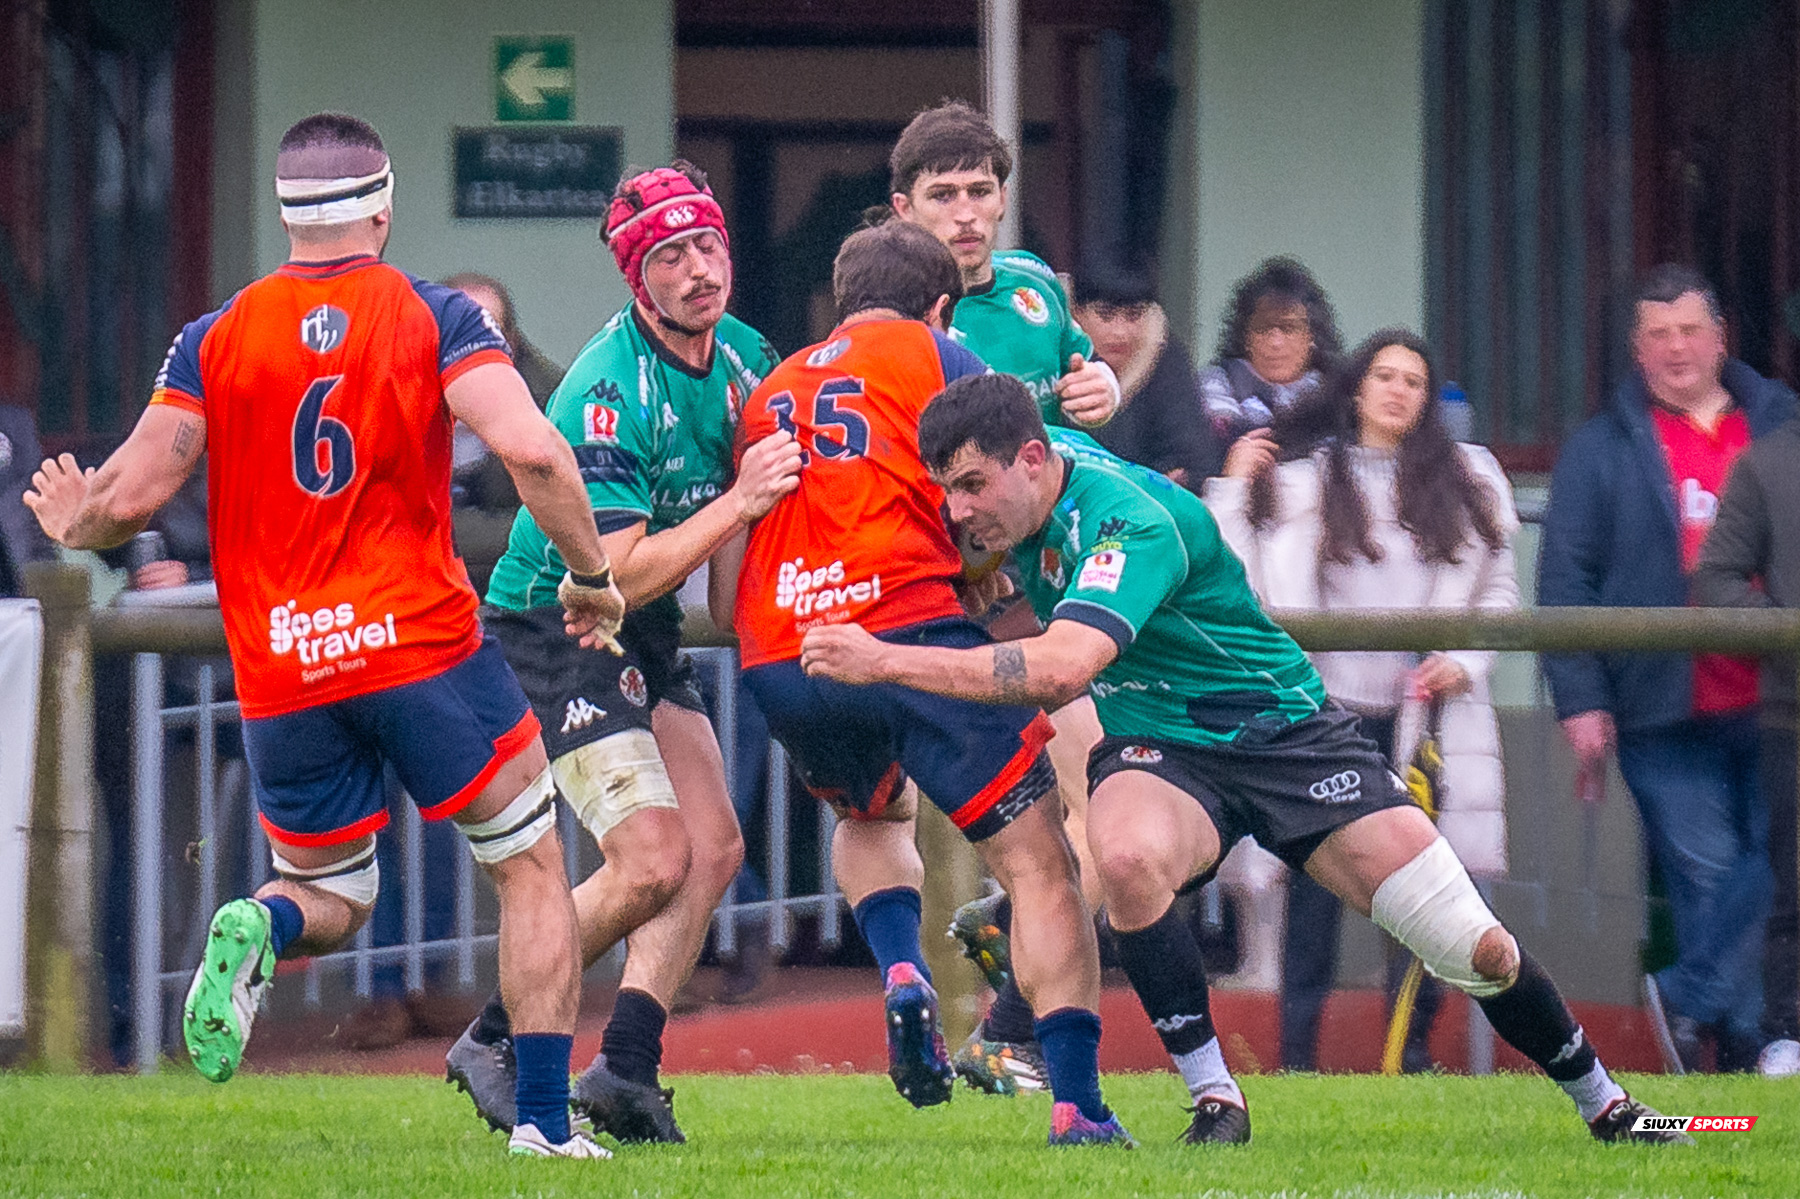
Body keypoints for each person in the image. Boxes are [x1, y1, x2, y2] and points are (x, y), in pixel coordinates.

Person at [800, 371, 1690, 1146]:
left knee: (1479, 950)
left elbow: (1064, 667)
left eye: (969, 487)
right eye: (946, 490)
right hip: (1162, 742)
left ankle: (1608, 1104)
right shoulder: (1030, 465)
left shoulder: (1129, 522)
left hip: (1287, 735)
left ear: (1033, 461)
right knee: (1126, 854)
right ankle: (1214, 1096)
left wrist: (879, 658)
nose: (957, 510)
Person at [23, 112, 624, 1160]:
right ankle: (540, 1122)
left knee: (330, 890)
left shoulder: (215, 334)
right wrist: (591, 573)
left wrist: (80, 519)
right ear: (383, 208)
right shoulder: (431, 312)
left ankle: (264, 924)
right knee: (529, 863)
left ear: (284, 214)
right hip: (420, 645)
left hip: (284, 663)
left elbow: (129, 492)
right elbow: (534, 452)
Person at [721, 219, 1126, 1146]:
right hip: (904, 631)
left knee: (869, 818)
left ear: (839, 298)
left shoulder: (773, 383)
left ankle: (901, 972)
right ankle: (1077, 1106)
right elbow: (984, 489)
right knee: (1043, 864)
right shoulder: (942, 353)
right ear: (941, 305)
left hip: (784, 649)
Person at [448, 161, 800, 1145]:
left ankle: (626, 1069)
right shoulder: (607, 389)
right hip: (557, 621)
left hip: (642, 629)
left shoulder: (744, 355)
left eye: (708, 246)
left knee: (715, 848)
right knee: (650, 861)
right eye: (672, 255)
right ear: (635, 275)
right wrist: (741, 502)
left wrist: (765, 616)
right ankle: (495, 1036)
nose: (699, 270)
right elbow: (615, 569)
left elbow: (746, 528)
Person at [1205, 329, 1519, 1072]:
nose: (1398, 390)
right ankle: (1298, 1059)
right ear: (1355, 387)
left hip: (1424, 717)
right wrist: (1228, 483)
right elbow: (1231, 571)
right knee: (1313, 887)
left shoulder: (1467, 479)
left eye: (1414, 379)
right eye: (1384, 375)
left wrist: (1465, 662)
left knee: (1423, 889)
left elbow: (1501, 591)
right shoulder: (1306, 479)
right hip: (1326, 712)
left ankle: (1407, 1053)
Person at [885, 97, 1116, 1095]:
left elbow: (1069, 396)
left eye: (982, 190)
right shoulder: (896, 318)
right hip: (960, 608)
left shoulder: (1029, 288)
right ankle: (982, 1018)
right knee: (971, 827)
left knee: (1099, 808)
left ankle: (1005, 986)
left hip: (1054, 590)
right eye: (945, 194)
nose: (968, 212)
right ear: (905, 207)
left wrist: (1099, 383)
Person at [1540, 263, 1793, 1073]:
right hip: (1657, 706)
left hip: (1780, 699)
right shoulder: (1600, 446)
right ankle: (1750, 1047)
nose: (1677, 348)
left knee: (1774, 863)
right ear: (1637, 351)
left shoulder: (1783, 425)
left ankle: (1691, 1004)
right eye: (1659, 335)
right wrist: (1579, 698)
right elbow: (1563, 581)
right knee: (1708, 875)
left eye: (1690, 330)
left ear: (1722, 338)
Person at [1693, 417, 1800, 1077]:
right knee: (1795, 883)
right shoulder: (1768, 464)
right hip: (1793, 711)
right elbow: (1717, 581)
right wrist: (1789, 633)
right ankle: (1789, 1032)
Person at [438, 273, 566, 599]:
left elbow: (556, 529)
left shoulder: (554, 402)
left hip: (523, 598)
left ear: (512, 342)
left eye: (486, 332)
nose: (469, 347)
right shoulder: (394, 395)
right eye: (455, 333)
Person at [1198, 256, 1344, 483]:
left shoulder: (1338, 395)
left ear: (1312, 336)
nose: (1275, 342)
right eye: (1263, 329)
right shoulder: (1212, 388)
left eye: (1288, 329)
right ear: (1245, 336)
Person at [1070, 267, 1218, 489]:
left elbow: (1194, 465)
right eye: (1105, 315)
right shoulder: (1055, 361)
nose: (1120, 332)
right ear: (1077, 313)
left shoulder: (1167, 360)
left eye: (1133, 316)